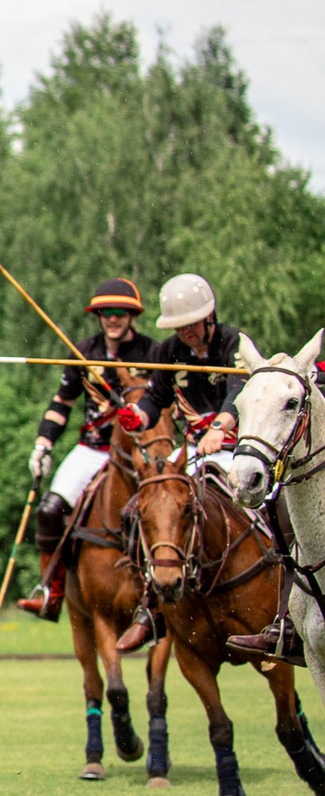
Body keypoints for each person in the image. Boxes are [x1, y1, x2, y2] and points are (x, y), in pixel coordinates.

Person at [116, 273, 272, 653]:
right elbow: (157, 396)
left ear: (209, 317)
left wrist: (220, 427)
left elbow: (240, 392)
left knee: (276, 508)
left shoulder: (234, 343)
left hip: (240, 448)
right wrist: (140, 414)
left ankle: (288, 601)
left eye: (191, 324)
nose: (185, 332)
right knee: (140, 508)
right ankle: (151, 607)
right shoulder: (167, 351)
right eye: (179, 326)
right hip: (193, 452)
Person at [16, 277, 155, 623]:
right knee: (49, 510)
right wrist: (43, 445)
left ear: (132, 316)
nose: (113, 318)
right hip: (94, 448)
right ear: (97, 316)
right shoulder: (83, 352)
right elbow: (62, 402)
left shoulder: (153, 353)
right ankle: (51, 591)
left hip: (142, 449)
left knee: (175, 506)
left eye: (120, 312)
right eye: (106, 312)